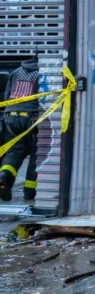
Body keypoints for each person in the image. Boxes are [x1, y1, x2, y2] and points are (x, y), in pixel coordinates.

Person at [0, 58, 42, 202]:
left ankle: (4, 176)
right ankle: (30, 192)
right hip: (32, 118)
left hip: (10, 117)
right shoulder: (43, 72)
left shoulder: (17, 71)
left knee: (14, 151)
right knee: (37, 153)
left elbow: (7, 96)